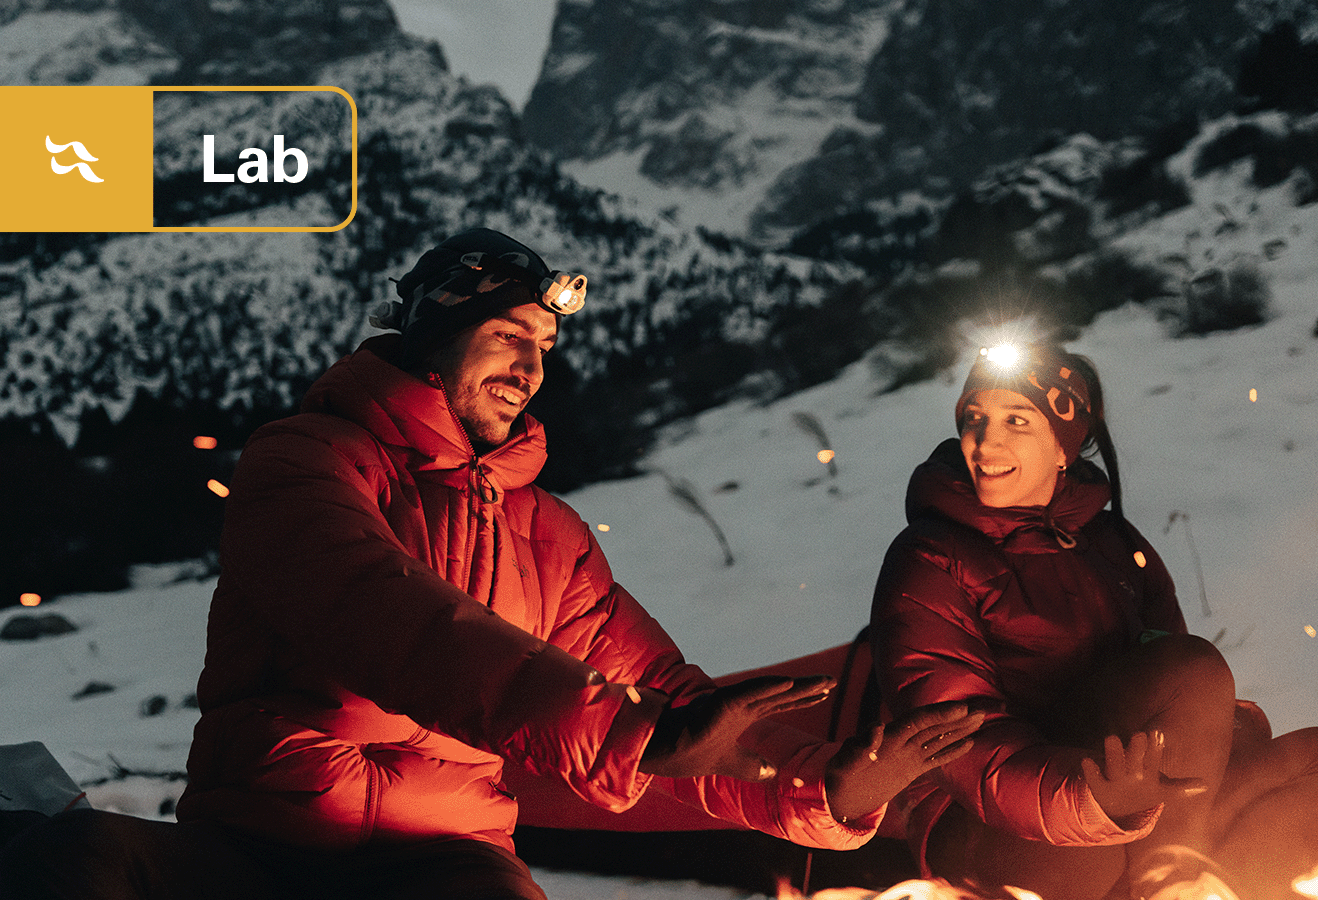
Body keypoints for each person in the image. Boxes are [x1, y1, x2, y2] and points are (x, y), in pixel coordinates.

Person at [0, 228, 981, 900]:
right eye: (507, 336)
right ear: (431, 343)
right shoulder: (306, 461)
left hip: (446, 864)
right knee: (81, 856)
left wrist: (824, 795)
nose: (531, 364)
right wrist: (621, 733)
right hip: (257, 850)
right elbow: (382, 616)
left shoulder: (546, 534)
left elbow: (675, 711)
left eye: (545, 346)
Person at [868, 342, 1318, 900]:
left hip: (1133, 803)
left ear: (1065, 448)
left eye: (1016, 420)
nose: (986, 441)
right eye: (974, 418)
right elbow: (955, 743)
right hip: (989, 825)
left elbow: (1172, 694)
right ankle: (1172, 882)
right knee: (1189, 677)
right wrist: (1091, 801)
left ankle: (1199, 877)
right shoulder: (933, 556)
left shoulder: (1112, 544)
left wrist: (1210, 746)